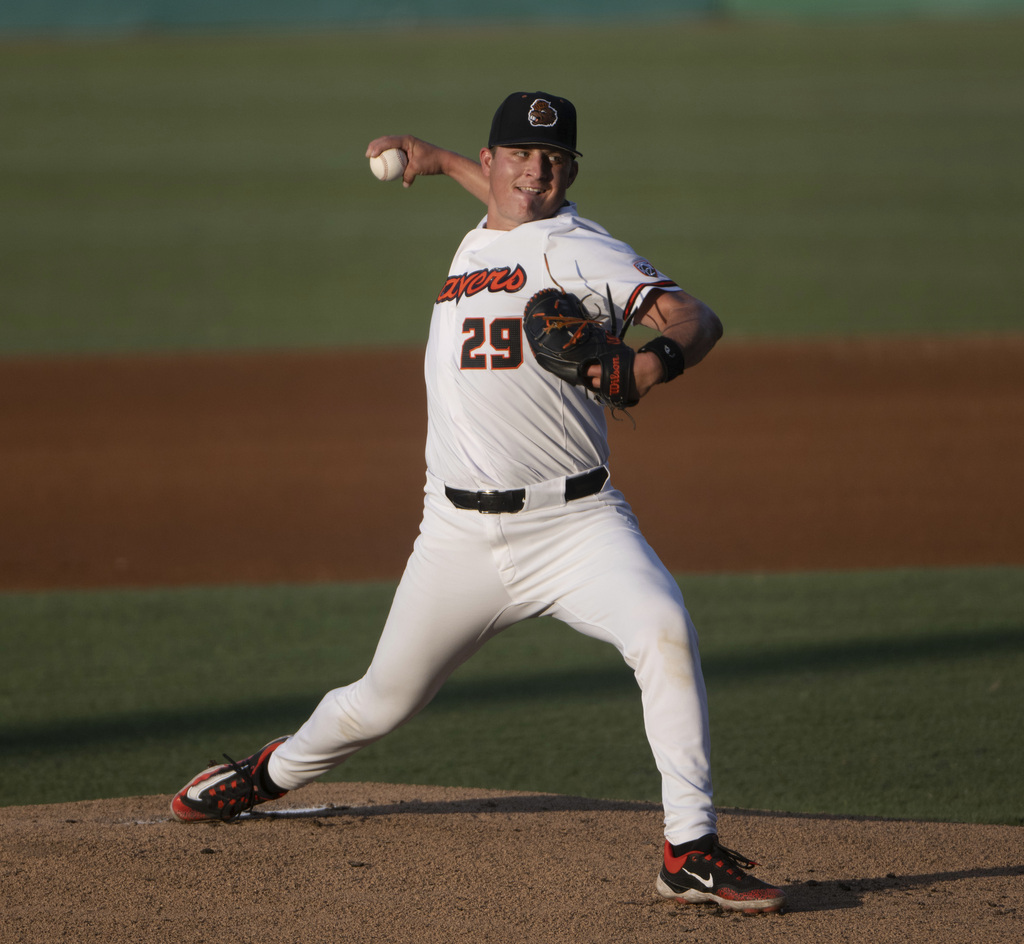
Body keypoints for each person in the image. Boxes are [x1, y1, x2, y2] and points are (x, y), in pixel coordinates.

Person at [170, 91, 785, 915]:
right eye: (521, 154)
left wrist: (651, 364)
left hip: (575, 526)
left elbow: (693, 315)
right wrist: (433, 156)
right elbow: (503, 201)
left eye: (555, 158)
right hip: (456, 534)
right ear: (492, 162)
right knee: (378, 703)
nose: (538, 168)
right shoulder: (485, 226)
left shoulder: (582, 249)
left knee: (664, 632)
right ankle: (264, 775)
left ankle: (691, 851)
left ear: (571, 171)